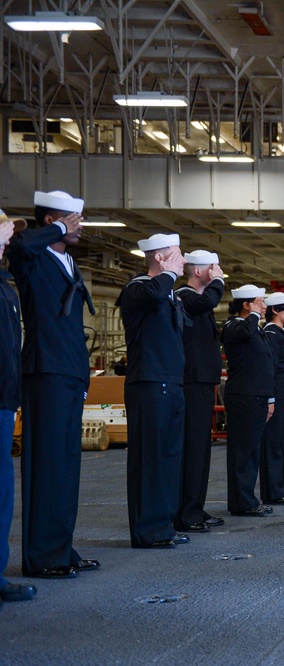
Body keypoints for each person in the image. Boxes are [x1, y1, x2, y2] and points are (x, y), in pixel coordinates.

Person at [9, 190, 98, 578]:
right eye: (70, 219)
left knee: (66, 464)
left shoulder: (65, 260)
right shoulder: (32, 256)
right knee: (47, 464)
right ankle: (43, 556)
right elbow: (20, 243)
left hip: (69, 371)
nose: (79, 226)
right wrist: (60, 227)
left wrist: (83, 374)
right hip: (45, 370)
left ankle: (60, 546)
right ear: (52, 222)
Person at [118, 233, 188, 549]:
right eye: (177, 254)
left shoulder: (169, 294)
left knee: (170, 458)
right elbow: (152, 295)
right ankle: (148, 530)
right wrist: (169, 276)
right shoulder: (137, 288)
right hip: (148, 383)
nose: (183, 260)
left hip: (171, 383)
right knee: (150, 460)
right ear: (159, 258)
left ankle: (164, 526)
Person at [174, 250, 226, 533]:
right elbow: (208, 300)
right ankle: (186, 512)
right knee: (192, 449)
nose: (218, 271)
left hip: (203, 382)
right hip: (192, 382)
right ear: (198, 271)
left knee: (200, 450)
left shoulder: (200, 301)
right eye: (213, 267)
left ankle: (195, 507)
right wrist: (218, 282)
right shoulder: (185, 295)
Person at [1, 212, 37, 603]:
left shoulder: (6, 285)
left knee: (3, 494)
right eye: (4, 229)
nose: (11, 236)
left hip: (5, 399)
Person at [220, 285, 274, 516]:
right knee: (243, 451)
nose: (263, 306)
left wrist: (269, 397)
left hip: (257, 395)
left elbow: (265, 365)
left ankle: (246, 499)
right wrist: (253, 315)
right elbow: (245, 333)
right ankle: (243, 502)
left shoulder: (254, 328)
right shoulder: (233, 326)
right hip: (244, 396)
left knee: (251, 450)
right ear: (246, 304)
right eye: (259, 302)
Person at [260, 292, 284, 506]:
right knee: (273, 442)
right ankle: (273, 491)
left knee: (280, 441)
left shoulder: (282, 333)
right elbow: (271, 369)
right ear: (275, 310)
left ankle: (278, 487)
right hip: (278, 393)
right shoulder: (272, 334)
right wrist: (270, 398)